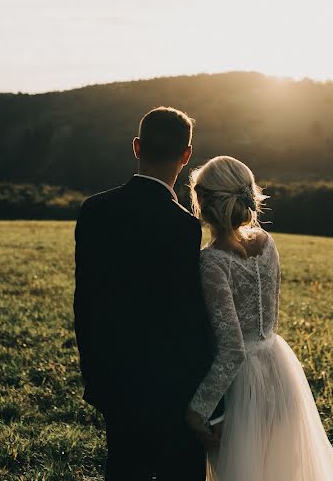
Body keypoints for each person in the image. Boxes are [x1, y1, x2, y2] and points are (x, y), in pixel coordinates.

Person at [73, 107, 220, 480]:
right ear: (187, 156)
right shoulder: (184, 226)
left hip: (113, 378)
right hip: (169, 385)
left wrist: (95, 377)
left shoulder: (94, 210)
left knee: (123, 466)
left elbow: (85, 302)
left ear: (137, 147)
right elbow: (184, 314)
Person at [185, 155, 333, 481]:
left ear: (202, 200)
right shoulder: (267, 243)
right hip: (279, 367)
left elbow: (232, 349)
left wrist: (196, 411)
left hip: (243, 387)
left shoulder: (212, 262)